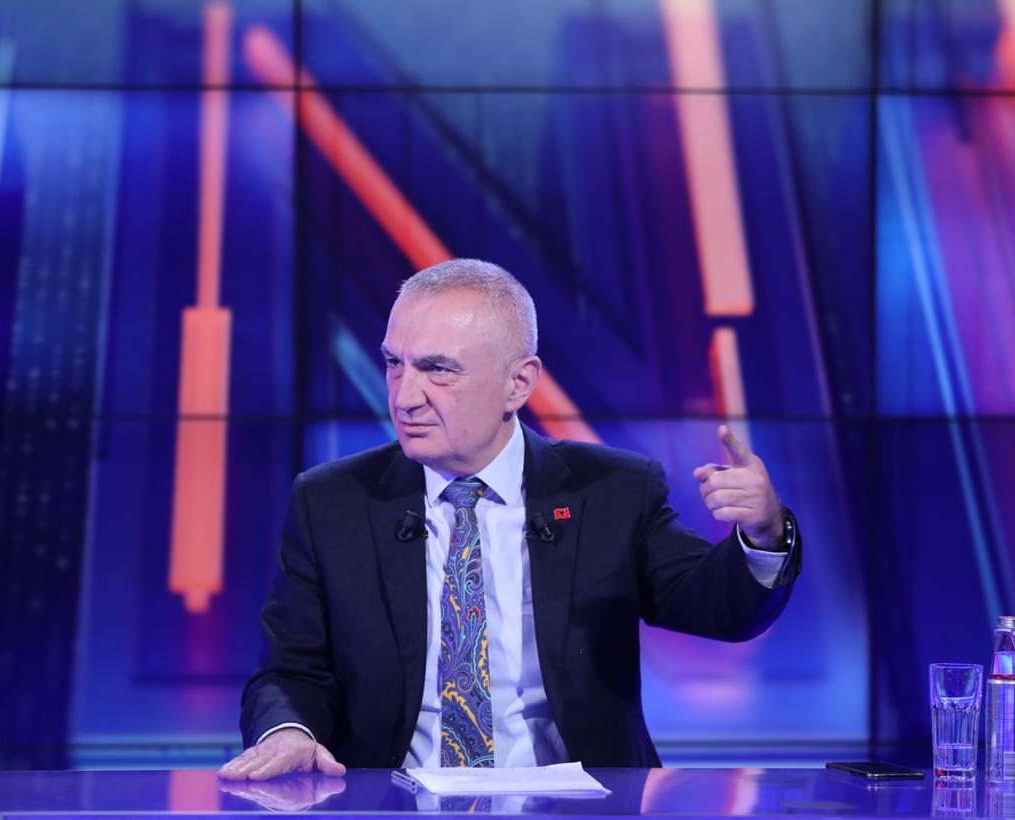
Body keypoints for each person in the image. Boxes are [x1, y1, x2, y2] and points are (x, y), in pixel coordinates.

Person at [218, 259, 800, 782]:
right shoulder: (331, 502)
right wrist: (288, 732)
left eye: (437, 370)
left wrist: (763, 533)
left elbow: (717, 609)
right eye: (395, 364)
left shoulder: (611, 491)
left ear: (518, 383)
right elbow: (290, 671)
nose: (405, 396)